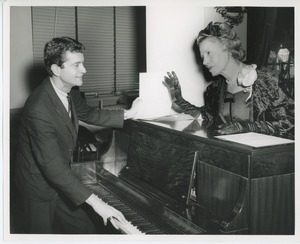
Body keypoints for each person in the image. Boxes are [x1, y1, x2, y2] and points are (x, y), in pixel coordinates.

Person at [14, 37, 141, 234]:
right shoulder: (38, 108)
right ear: (57, 70)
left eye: (83, 63)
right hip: (38, 186)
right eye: (77, 65)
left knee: (84, 229)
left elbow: (89, 114)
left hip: (61, 178)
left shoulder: (69, 91)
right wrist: (98, 204)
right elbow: (53, 167)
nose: (84, 70)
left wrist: (128, 113)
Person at [163, 22, 294, 140]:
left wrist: (248, 127)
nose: (204, 62)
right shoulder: (214, 89)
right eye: (202, 56)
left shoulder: (267, 81)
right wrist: (179, 99)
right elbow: (207, 117)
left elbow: (290, 123)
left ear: (229, 49)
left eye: (209, 53)